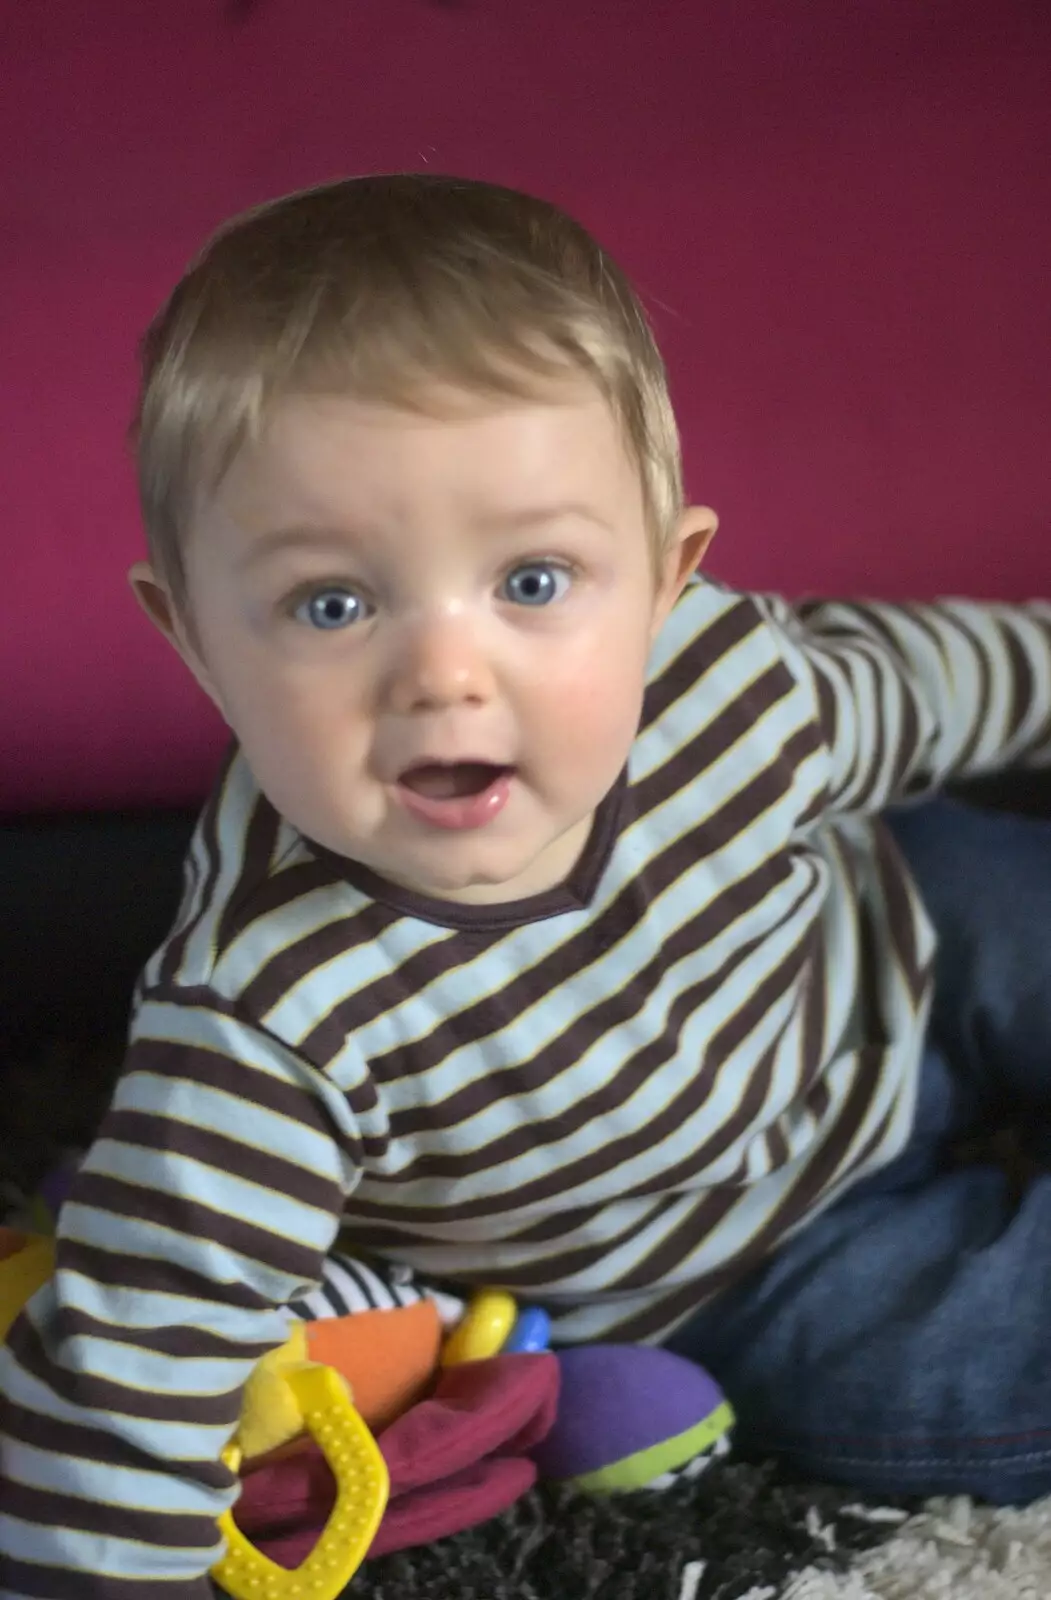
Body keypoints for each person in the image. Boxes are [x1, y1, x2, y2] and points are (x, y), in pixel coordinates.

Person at [2, 173, 1051, 1598]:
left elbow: (929, 684)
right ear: (193, 642)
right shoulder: (268, 1015)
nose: (445, 673)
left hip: (884, 950)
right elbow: (136, 1342)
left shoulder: (725, 681)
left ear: (667, 581)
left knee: (1003, 890)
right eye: (332, 604)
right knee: (963, 1381)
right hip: (724, 1265)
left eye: (536, 581)